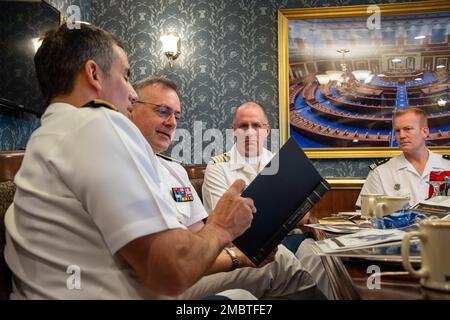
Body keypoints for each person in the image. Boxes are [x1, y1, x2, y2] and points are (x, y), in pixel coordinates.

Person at [4, 23, 256, 300]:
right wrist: (221, 226)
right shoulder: (97, 123)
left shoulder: (45, 136)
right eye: (125, 76)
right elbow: (173, 271)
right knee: (244, 300)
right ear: (93, 74)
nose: (133, 94)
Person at [128, 77, 326, 300]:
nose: (172, 122)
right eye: (162, 111)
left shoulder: (176, 172)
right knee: (279, 265)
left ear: (267, 130)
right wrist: (236, 257)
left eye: (177, 116)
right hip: (163, 284)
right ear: (130, 109)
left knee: (311, 256)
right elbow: (221, 229)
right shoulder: (121, 168)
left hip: (200, 265)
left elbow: (199, 235)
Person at [201, 101, 334, 300]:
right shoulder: (218, 167)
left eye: (256, 125)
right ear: (234, 131)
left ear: (267, 130)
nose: (250, 132)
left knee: (320, 256)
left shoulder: (282, 163)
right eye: (243, 126)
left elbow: (303, 212)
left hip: (291, 238)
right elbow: (226, 222)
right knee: (284, 261)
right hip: (247, 247)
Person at [356, 107, 450, 207]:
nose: (401, 135)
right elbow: (368, 214)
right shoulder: (380, 172)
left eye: (408, 129)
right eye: (397, 131)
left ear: (425, 132)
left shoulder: (447, 165)